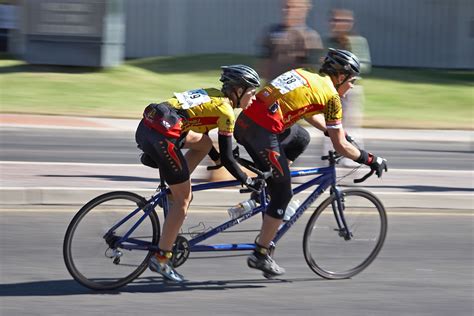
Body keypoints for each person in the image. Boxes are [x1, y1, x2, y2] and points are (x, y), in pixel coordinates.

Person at [234, 48, 388, 277]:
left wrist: (328, 130)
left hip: (247, 124)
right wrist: (371, 159)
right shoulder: (332, 98)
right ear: (341, 75)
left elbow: (305, 111)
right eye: (352, 80)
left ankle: (267, 186)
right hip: (261, 134)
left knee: (300, 137)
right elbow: (341, 147)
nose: (352, 86)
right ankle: (260, 254)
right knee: (284, 193)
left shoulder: (304, 75)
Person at [135, 65, 262, 282]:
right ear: (238, 91)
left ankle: (171, 193)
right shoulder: (227, 112)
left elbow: (205, 137)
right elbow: (230, 160)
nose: (253, 100)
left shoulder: (211, 94)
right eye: (251, 94)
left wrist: (216, 157)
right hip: (164, 138)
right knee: (185, 199)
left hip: (147, 128)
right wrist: (246, 180)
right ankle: (162, 258)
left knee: (203, 143)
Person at [324, 9, 372, 164]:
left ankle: (353, 160)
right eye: (334, 21)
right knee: (330, 125)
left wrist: (345, 68)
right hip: (332, 88)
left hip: (351, 89)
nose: (337, 25)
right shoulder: (329, 42)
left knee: (351, 126)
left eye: (342, 21)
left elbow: (364, 65)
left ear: (349, 24)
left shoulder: (356, 41)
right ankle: (329, 163)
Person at [258, 0, 324, 82]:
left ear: (304, 9)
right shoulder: (272, 32)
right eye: (286, 7)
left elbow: (314, 71)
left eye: (293, 7)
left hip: (297, 89)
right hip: (273, 87)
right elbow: (264, 64)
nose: (288, 11)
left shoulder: (311, 37)